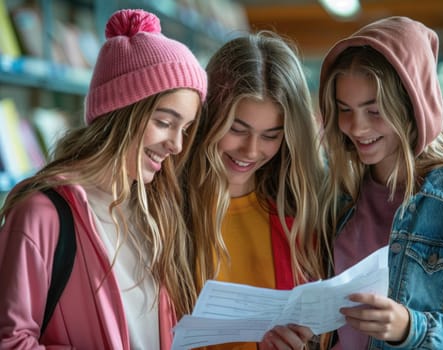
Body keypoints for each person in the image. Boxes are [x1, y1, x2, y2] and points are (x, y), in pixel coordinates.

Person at [0, 9, 209, 349]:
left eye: (185, 129)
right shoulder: (40, 214)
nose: (176, 145)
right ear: (122, 113)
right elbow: (10, 340)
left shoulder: (155, 213)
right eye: (165, 122)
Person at [318, 16, 443, 349]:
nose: (356, 127)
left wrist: (413, 329)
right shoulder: (338, 194)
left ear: (413, 108)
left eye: (374, 110)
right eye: (345, 109)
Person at [183, 30, 331, 350]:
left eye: (270, 136)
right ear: (208, 117)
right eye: (237, 129)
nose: (251, 151)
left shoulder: (300, 214)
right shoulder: (169, 205)